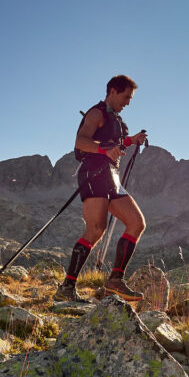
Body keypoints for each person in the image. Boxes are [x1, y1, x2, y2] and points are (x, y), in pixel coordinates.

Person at [54, 75, 149, 303]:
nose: (128, 102)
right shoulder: (96, 113)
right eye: (126, 97)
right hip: (93, 174)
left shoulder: (115, 118)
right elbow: (80, 141)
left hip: (111, 177)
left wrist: (131, 140)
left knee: (137, 223)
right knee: (96, 230)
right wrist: (105, 152)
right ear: (113, 91)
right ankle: (67, 287)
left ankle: (115, 281)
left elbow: (114, 143)